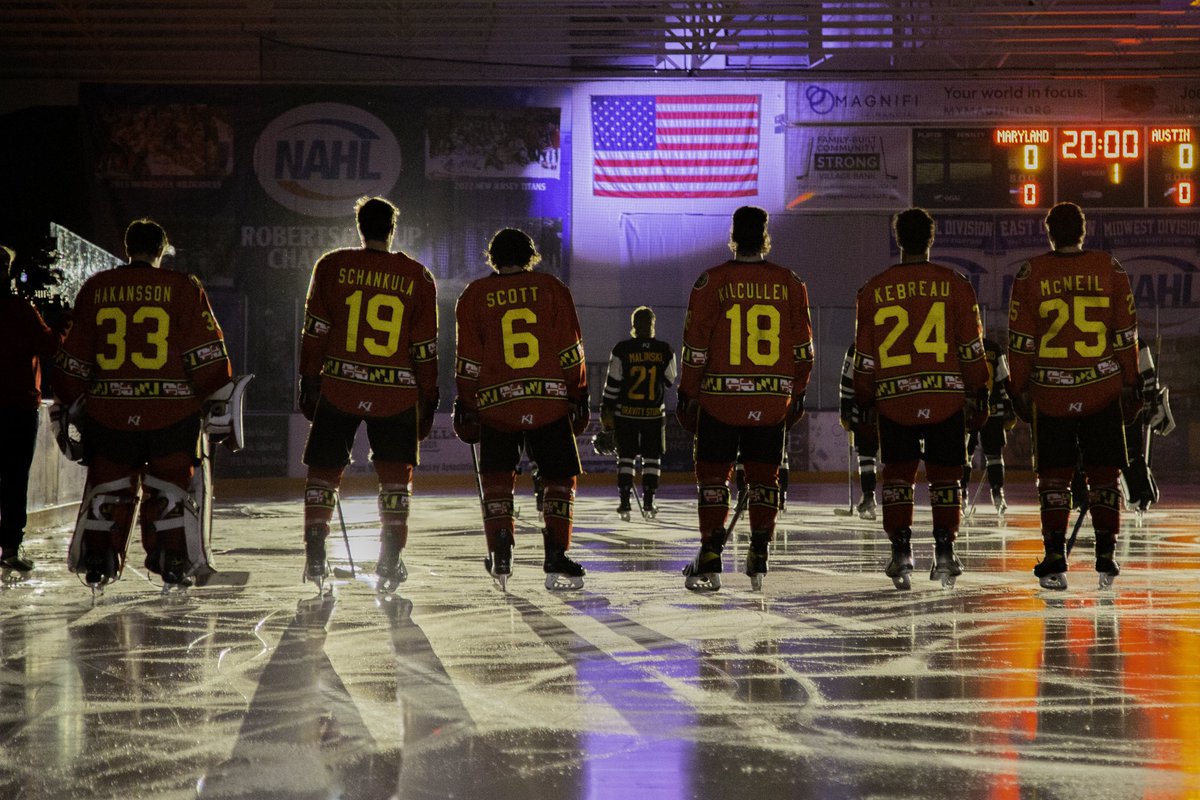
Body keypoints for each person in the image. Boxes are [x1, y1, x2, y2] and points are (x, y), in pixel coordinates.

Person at [54, 219, 232, 589]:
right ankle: (173, 557)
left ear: (126, 248)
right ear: (162, 251)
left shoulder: (97, 287)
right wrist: (214, 395)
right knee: (170, 487)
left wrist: (72, 398)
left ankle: (99, 555)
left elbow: (73, 360)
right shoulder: (182, 288)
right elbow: (208, 358)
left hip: (109, 415)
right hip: (172, 416)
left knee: (109, 486)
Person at [298, 196, 438, 592]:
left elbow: (316, 331)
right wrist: (430, 395)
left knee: (324, 471)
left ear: (359, 226)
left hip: (339, 384)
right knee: (395, 478)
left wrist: (308, 379)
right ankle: (390, 556)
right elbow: (424, 346)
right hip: (396, 392)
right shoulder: (418, 276)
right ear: (392, 230)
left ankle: (315, 548)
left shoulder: (331, 266)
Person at [677, 206, 813, 591]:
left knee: (713, 477)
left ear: (733, 236)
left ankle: (710, 552)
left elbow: (695, 349)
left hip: (720, 400)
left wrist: (688, 392)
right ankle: (759, 549)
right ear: (765, 236)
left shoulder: (711, 281)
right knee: (764, 477)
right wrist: (795, 394)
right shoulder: (791, 283)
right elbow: (804, 352)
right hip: (772, 401)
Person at [852, 207, 989, 590]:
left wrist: (864, 396)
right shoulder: (956, 283)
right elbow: (971, 350)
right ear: (931, 238)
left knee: (897, 476)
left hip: (895, 398)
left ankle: (901, 552)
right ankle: (945, 552)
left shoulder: (872, 290)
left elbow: (864, 358)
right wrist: (979, 390)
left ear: (898, 239)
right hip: (946, 396)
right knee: (946, 477)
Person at [1007, 202, 1140, 590]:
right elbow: (1125, 335)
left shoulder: (1031, 273)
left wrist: (1018, 387)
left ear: (1049, 233)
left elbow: (1021, 341)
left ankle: (1054, 555)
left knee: (1053, 479)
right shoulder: (1110, 268)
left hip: (1050, 392)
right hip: (1102, 388)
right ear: (1084, 232)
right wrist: (1131, 383)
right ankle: (1105, 554)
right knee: (1104, 476)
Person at [453, 228, 589, 591]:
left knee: (497, 480)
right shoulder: (552, 289)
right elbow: (570, 350)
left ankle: (501, 550)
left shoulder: (473, 296)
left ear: (492, 257)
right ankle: (556, 554)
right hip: (549, 401)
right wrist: (577, 394)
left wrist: (466, 402)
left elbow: (468, 361)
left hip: (497, 405)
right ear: (531, 254)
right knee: (559, 480)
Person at [0, 246, 69, 574]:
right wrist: (66, 321)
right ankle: (10, 547)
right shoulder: (21, 309)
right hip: (16, 406)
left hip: (18, 405)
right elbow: (50, 345)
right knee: (14, 478)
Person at [600, 306, 677, 520]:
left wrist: (606, 409)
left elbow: (613, 384)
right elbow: (670, 380)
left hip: (626, 414)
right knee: (652, 458)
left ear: (633, 325)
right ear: (652, 325)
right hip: (653, 414)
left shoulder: (621, 349)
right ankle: (649, 501)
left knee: (625, 457)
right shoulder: (665, 350)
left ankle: (625, 501)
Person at [961, 337, 1015, 516]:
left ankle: (962, 494)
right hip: (993, 409)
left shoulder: (962, 346)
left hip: (970, 409)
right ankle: (997, 493)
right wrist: (1008, 405)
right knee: (994, 455)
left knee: (964, 454)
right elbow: (1003, 379)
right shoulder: (994, 347)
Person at [1122, 338, 1174, 517]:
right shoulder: (1135, 341)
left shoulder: (1136, 342)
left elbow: (1149, 382)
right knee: (1130, 455)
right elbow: (1149, 380)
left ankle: (1139, 493)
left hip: (1125, 406)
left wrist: (1151, 400)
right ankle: (1140, 494)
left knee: (1130, 455)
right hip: (1126, 405)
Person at [838, 343, 877, 519]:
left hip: (863, 409)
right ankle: (898, 501)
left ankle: (869, 495)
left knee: (866, 454)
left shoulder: (857, 347)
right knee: (896, 459)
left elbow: (846, 381)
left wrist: (845, 409)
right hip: (891, 404)